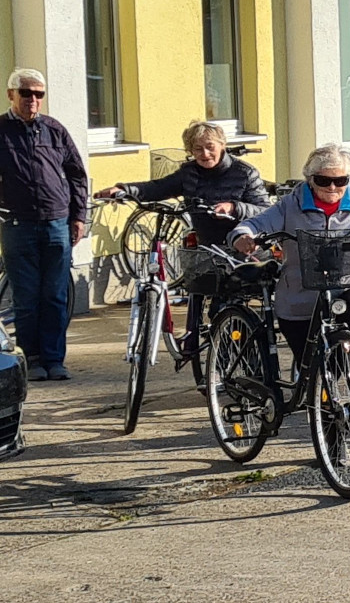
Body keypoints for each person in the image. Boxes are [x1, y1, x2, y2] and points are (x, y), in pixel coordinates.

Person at [95, 120, 271, 356]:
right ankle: (210, 354)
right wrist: (124, 189)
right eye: (197, 149)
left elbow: (264, 209)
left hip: (242, 251)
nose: (205, 154)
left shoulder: (244, 173)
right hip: (207, 250)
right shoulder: (189, 173)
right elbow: (157, 188)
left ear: (222, 145)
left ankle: (239, 357)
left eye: (210, 147)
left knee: (226, 305)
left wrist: (234, 207)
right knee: (204, 298)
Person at [230, 144, 350, 364]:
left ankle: (337, 372)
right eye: (324, 181)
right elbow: (254, 224)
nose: (332, 187)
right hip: (302, 292)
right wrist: (242, 237)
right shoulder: (290, 205)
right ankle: (312, 388)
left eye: (340, 181)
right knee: (308, 364)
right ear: (311, 180)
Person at [0, 69, 91, 381]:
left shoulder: (53, 130)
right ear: (11, 94)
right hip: (17, 224)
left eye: (39, 94)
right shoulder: (1, 130)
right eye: (26, 93)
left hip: (57, 223)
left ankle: (55, 360)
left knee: (54, 296)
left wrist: (79, 216)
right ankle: (33, 360)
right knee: (26, 298)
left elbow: (77, 175)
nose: (33, 100)